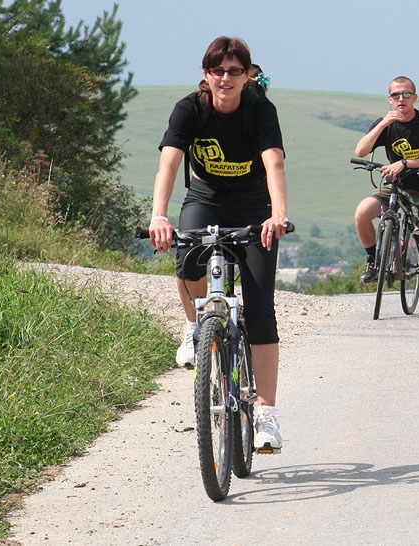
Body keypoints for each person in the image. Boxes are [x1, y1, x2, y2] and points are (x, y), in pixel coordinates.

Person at [147, 36, 289, 452]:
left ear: (248, 75)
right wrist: (159, 215)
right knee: (186, 258)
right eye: (217, 70)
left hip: (253, 203)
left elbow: (274, 162)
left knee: (261, 306)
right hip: (205, 197)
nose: (225, 78)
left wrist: (276, 213)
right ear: (206, 74)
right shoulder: (190, 109)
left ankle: (266, 413)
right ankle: (195, 326)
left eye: (234, 71)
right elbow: (169, 162)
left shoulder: (260, 109)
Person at [353, 76, 419, 316]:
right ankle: (373, 260)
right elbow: (361, 150)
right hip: (396, 186)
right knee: (363, 212)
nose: (401, 99)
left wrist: (404, 163)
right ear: (389, 100)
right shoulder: (386, 123)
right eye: (396, 95)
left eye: (406, 94)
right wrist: (383, 124)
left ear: (415, 98)